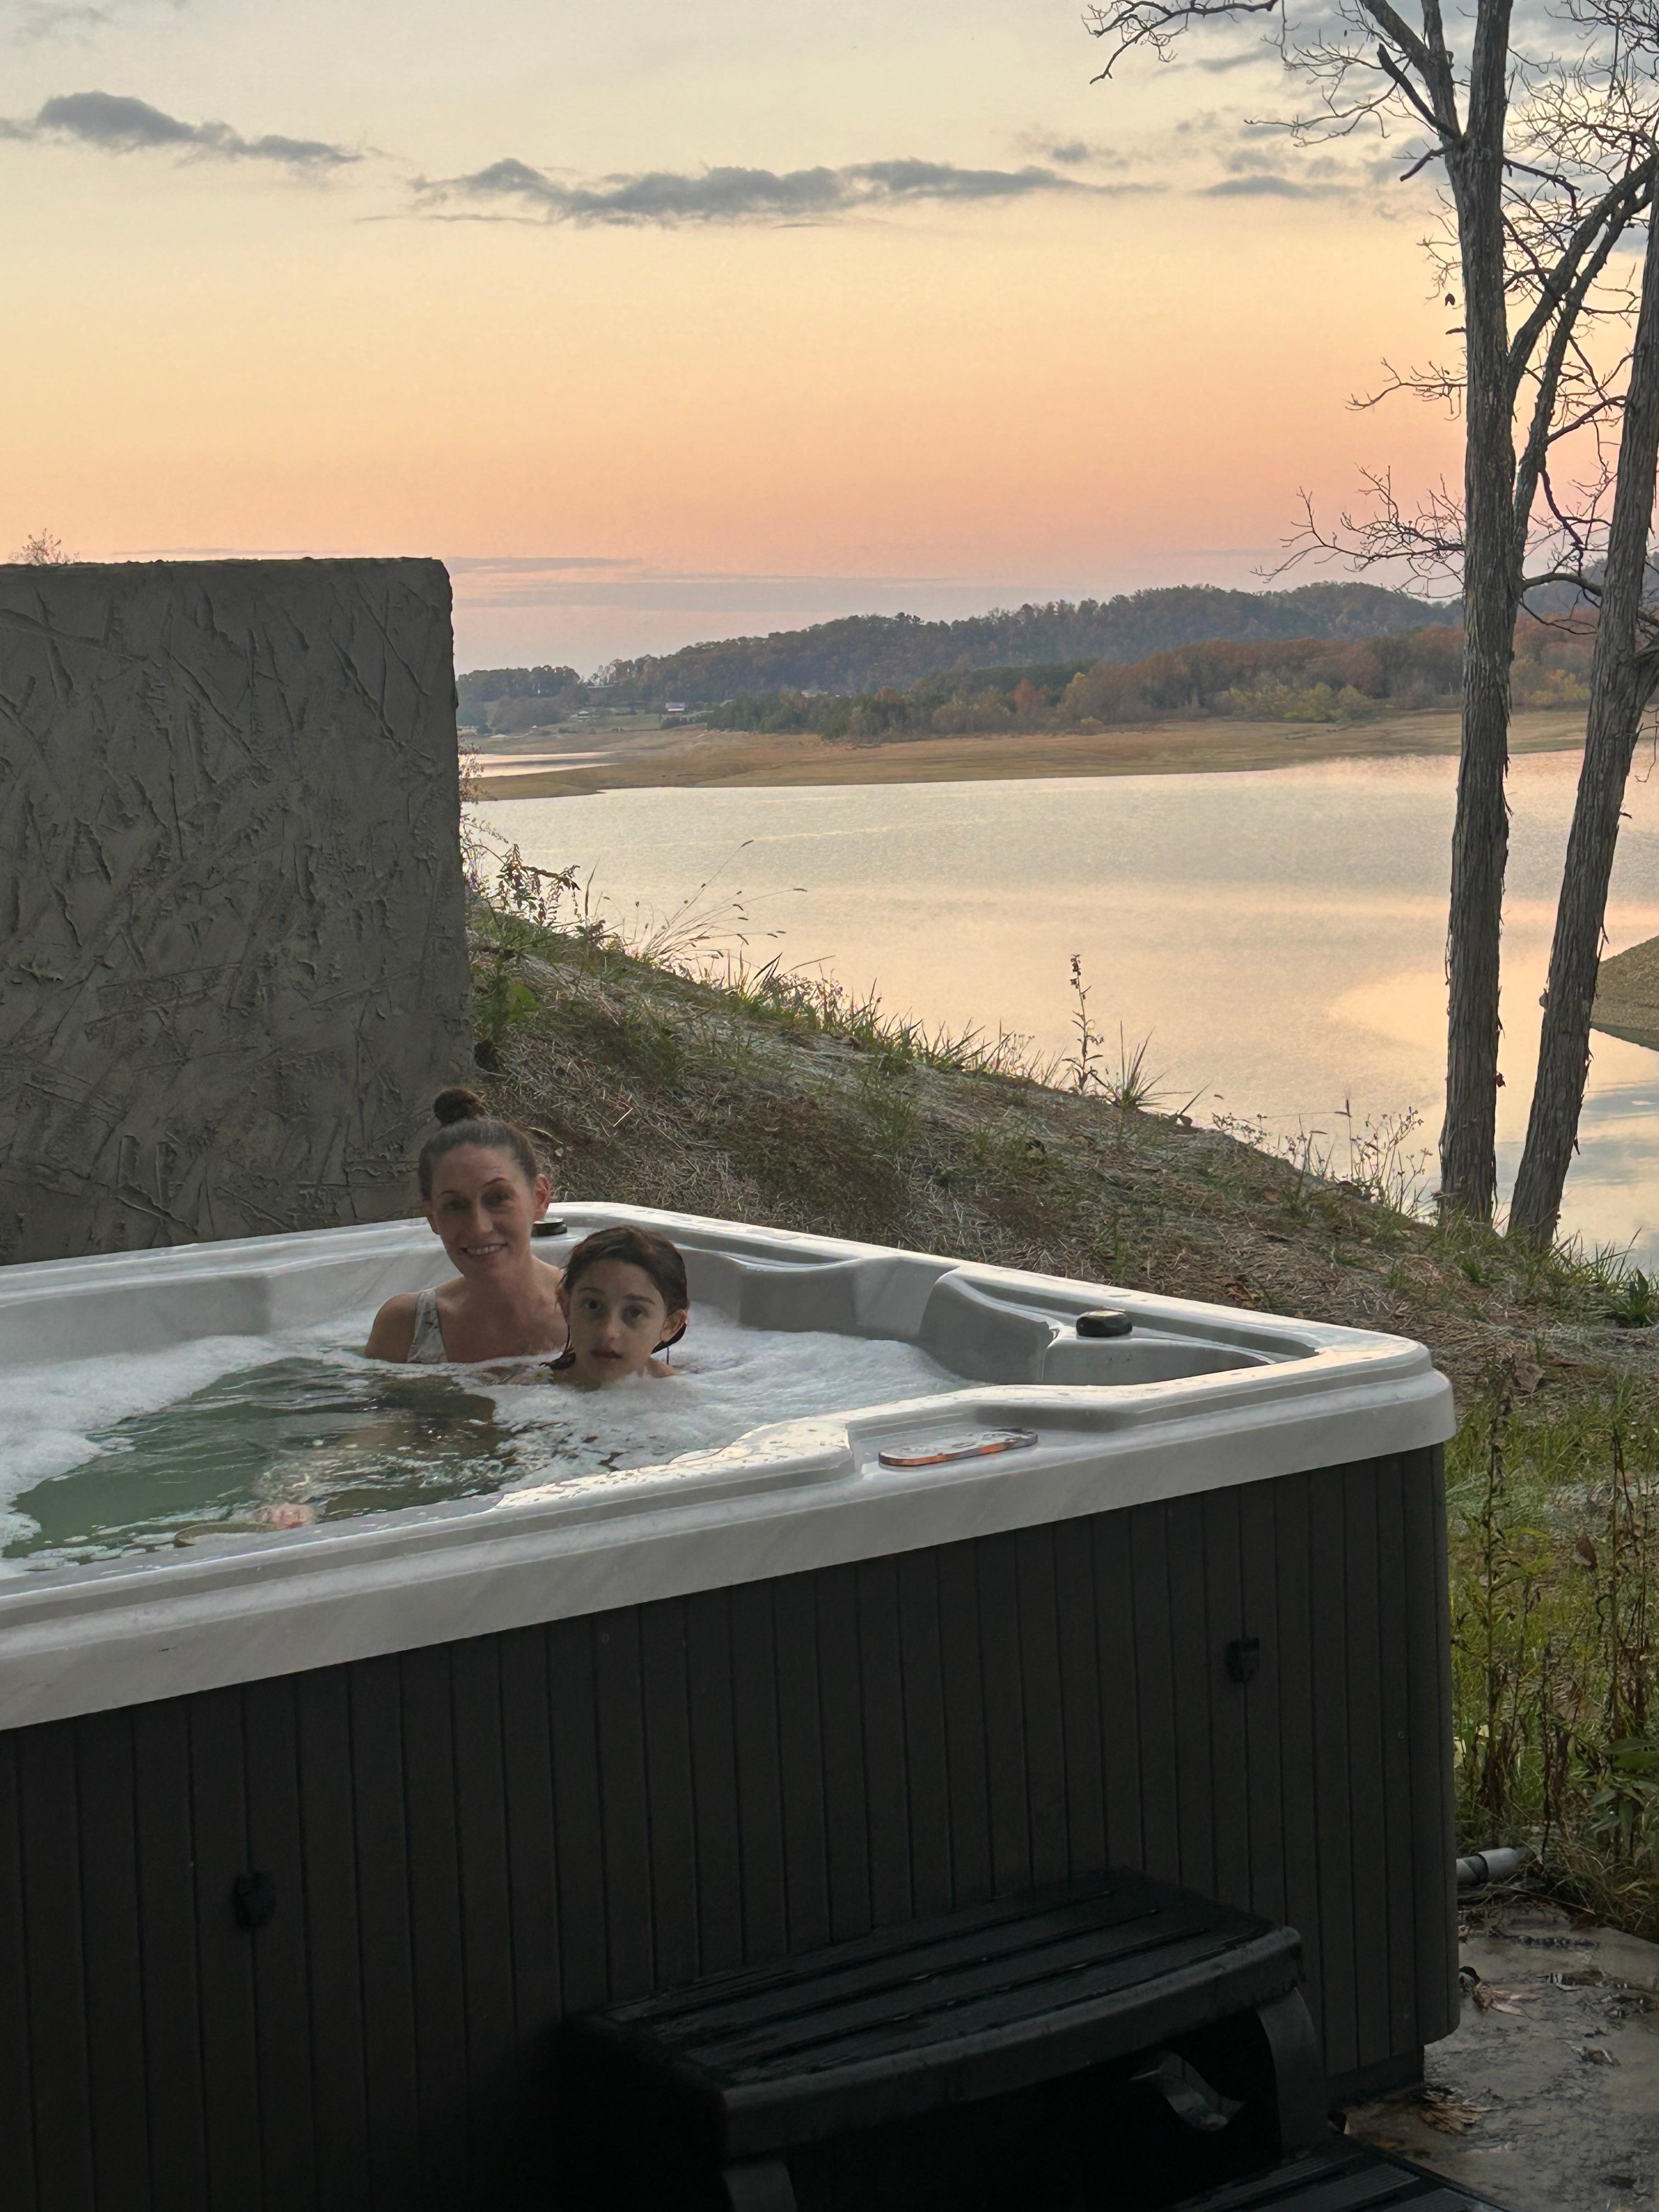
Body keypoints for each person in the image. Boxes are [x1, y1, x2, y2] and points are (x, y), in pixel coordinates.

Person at [365, 1087, 568, 1366]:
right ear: (432, 1216)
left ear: (540, 1198)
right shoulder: (406, 1329)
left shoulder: (603, 1310)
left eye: (498, 1198)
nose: (479, 1227)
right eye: (455, 1205)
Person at [550, 1226, 689, 1387]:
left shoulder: (681, 1397)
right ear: (566, 1307)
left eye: (635, 1312)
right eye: (593, 1305)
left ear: (671, 1325)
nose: (608, 1332)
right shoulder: (529, 1388)